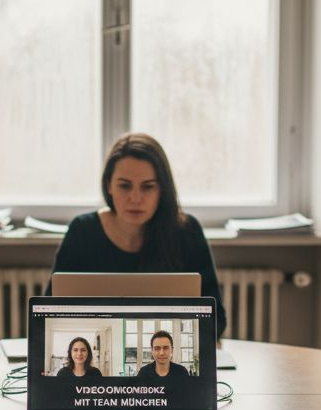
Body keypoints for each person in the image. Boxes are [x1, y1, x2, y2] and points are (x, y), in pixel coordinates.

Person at [48, 132, 228, 338]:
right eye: (124, 186)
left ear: (162, 190)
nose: (135, 198)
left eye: (148, 187)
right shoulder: (82, 231)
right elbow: (48, 313)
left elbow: (216, 321)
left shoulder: (187, 231)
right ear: (109, 185)